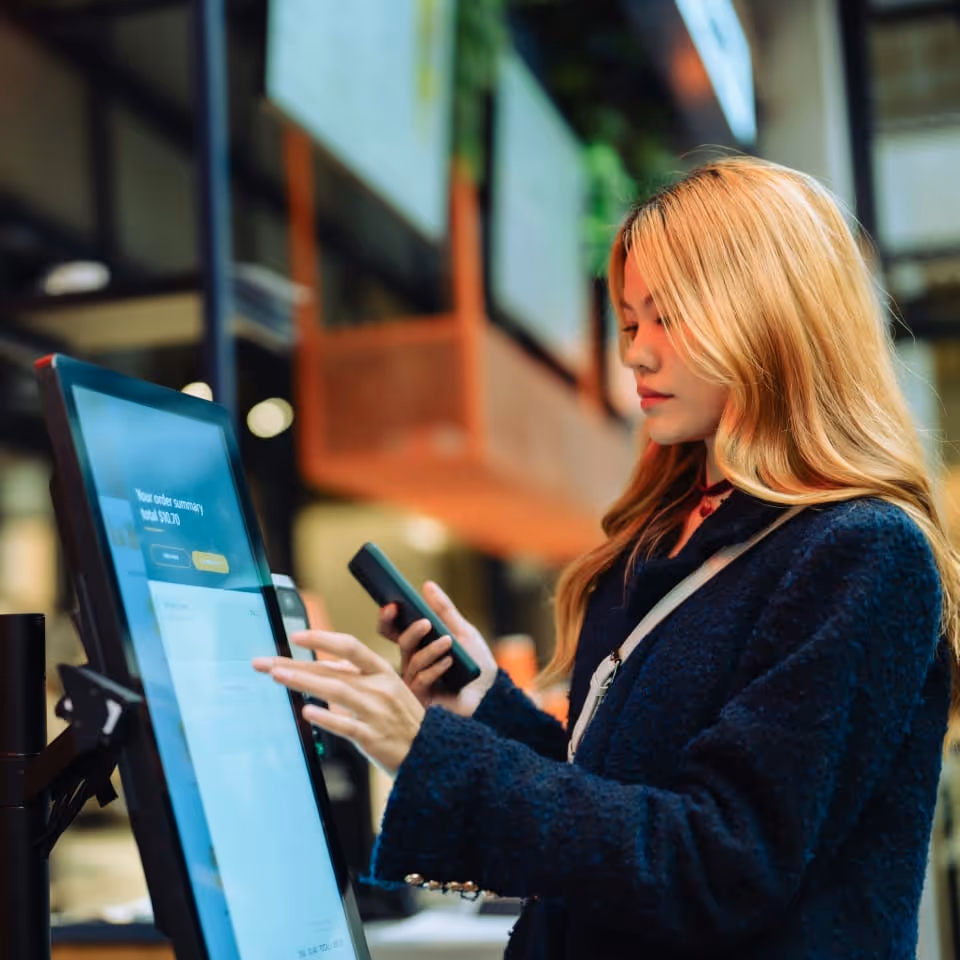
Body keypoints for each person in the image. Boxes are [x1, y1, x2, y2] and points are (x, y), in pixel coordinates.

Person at [256, 156, 960, 959]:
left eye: (670, 317)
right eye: (629, 323)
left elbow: (721, 862)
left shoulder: (862, 553)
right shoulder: (667, 537)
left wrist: (429, 752)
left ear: (773, 316)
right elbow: (620, 810)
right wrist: (484, 707)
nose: (636, 353)